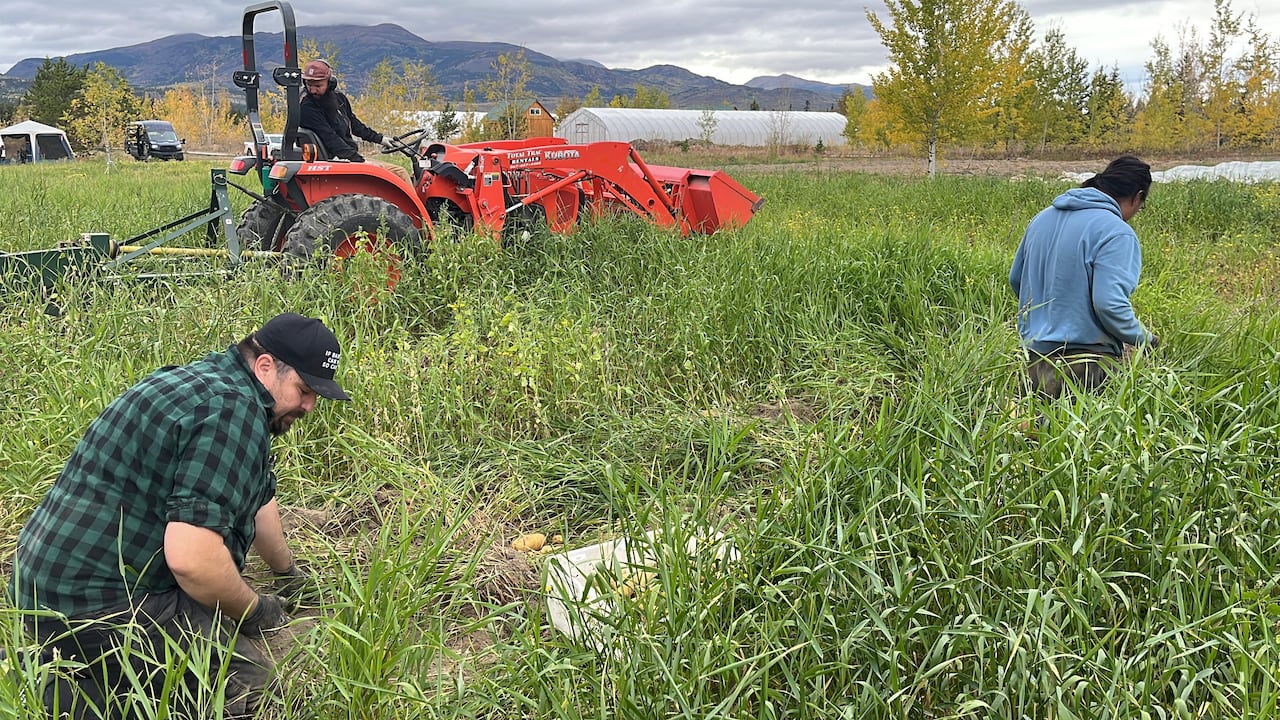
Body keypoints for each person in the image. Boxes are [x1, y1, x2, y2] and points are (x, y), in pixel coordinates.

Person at [7, 312, 350, 719]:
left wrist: (287, 575)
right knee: (249, 694)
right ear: (265, 366)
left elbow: (256, 498)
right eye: (304, 389)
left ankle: (56, 665)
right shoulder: (233, 412)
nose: (310, 406)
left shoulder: (199, 383)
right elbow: (193, 561)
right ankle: (46, 690)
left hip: (37, 586)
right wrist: (255, 611)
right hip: (96, 605)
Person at [1009, 154, 1160, 401]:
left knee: (1031, 435)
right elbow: (1109, 304)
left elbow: (1017, 280)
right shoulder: (1116, 232)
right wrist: (1146, 339)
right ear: (1137, 197)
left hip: (1034, 361)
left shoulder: (1041, 219)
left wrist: (1047, 315)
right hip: (1086, 368)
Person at [298, 58, 413, 185]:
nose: (313, 90)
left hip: (346, 157)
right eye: (309, 85)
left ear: (330, 83)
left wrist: (381, 139)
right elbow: (330, 138)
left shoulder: (338, 99)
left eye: (318, 86)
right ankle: (416, 206)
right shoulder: (308, 107)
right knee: (400, 173)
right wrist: (360, 162)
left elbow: (354, 124)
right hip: (337, 159)